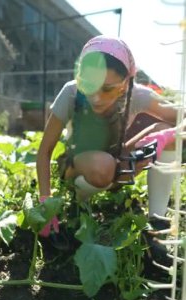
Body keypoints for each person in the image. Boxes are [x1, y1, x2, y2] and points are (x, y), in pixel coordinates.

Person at [36, 35, 183, 241]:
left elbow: (178, 116)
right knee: (102, 164)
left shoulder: (136, 94)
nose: (96, 97)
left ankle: (157, 222)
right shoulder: (71, 92)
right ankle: (80, 202)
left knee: (167, 131)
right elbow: (45, 151)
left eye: (108, 89)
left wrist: (167, 135)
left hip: (117, 163)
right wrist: (46, 201)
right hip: (77, 169)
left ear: (124, 84)